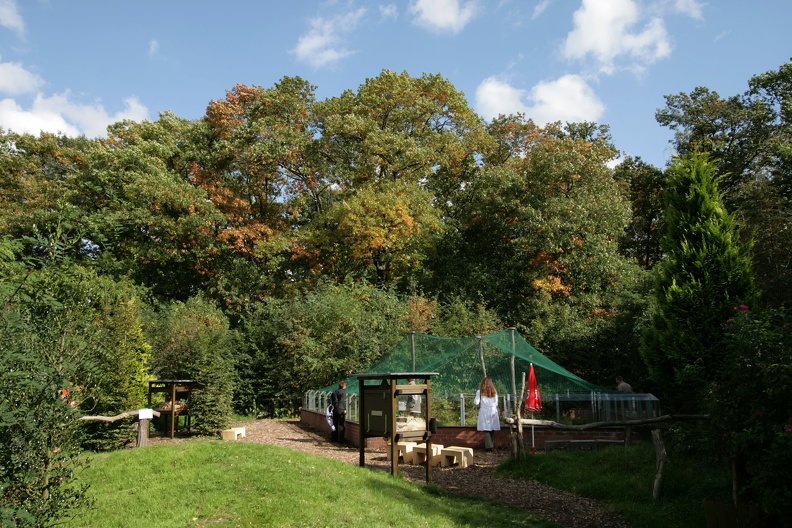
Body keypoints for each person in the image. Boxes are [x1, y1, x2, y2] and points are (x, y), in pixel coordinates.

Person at [474, 377, 500, 452]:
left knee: (486, 429)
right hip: (493, 410)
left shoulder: (480, 392)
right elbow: (496, 402)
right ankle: (491, 445)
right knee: (492, 428)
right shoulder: (494, 391)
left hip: (484, 411)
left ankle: (489, 447)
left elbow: (476, 402)